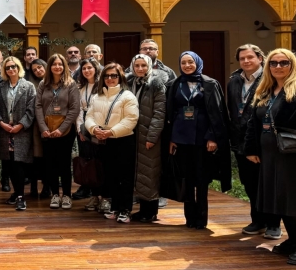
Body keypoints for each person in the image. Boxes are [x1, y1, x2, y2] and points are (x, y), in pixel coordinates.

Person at [245, 48, 296, 266]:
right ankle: (293, 242)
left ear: (292, 64)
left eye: (284, 63)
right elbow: (253, 122)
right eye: (273, 63)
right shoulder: (265, 89)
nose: (278, 67)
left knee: (295, 201)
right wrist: (251, 148)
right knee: (281, 199)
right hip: (271, 156)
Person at [166, 51, 231, 230]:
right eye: (183, 63)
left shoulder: (210, 84)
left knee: (202, 179)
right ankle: (189, 217)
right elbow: (170, 112)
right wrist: (171, 138)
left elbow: (217, 113)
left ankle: (201, 218)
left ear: (197, 63)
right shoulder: (174, 84)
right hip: (181, 138)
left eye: (190, 62)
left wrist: (212, 137)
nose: (187, 66)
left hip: (203, 139)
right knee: (186, 179)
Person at [227, 44, 281, 239]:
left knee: (268, 183)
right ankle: (258, 220)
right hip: (241, 141)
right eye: (242, 58)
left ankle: (273, 224)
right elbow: (233, 110)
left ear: (260, 58)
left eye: (250, 57)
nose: (246, 61)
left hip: (264, 140)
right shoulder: (234, 81)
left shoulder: (270, 79)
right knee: (250, 183)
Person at [85, 62, 139, 223]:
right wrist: (94, 129)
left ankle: (125, 210)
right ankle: (115, 207)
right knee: (110, 176)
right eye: (107, 76)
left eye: (113, 75)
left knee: (125, 177)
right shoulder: (97, 96)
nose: (110, 79)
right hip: (104, 140)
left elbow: (131, 119)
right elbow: (89, 116)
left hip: (123, 140)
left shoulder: (128, 96)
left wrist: (111, 132)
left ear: (120, 77)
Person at [36, 54, 81, 210]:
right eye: (54, 64)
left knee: (64, 164)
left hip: (66, 130)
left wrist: (61, 129)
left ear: (64, 66)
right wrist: (43, 128)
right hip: (47, 129)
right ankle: (55, 194)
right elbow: (38, 106)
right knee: (50, 164)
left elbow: (75, 108)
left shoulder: (71, 84)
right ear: (50, 67)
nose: (57, 67)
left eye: (60, 64)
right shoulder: (43, 84)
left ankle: (67, 195)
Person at [126, 54, 166, 222]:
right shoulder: (130, 82)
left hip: (148, 135)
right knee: (140, 172)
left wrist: (152, 136)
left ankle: (150, 212)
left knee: (150, 172)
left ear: (149, 66)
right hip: (132, 134)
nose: (140, 68)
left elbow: (159, 113)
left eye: (143, 65)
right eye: (137, 65)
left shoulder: (156, 84)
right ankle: (142, 210)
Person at [0, 57, 36, 211]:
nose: (11, 69)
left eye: (13, 66)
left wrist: (21, 125)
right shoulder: (0, 87)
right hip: (5, 131)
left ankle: (20, 196)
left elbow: (31, 110)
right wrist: (1, 123)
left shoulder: (29, 86)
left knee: (19, 164)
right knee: (9, 164)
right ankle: (16, 193)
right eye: (7, 67)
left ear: (19, 68)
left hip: (21, 132)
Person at [75, 57, 103, 211]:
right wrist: (80, 129)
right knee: (89, 163)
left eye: (89, 68)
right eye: (84, 68)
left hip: (100, 127)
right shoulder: (81, 87)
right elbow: (79, 110)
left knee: (101, 162)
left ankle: (105, 196)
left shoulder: (103, 85)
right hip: (84, 128)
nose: (87, 71)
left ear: (96, 69)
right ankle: (94, 195)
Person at [28, 58, 48, 198]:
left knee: (48, 158)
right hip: (34, 125)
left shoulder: (53, 82)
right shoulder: (31, 84)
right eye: (34, 70)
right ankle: (33, 188)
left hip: (52, 124)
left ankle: (47, 187)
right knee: (35, 158)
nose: (38, 71)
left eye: (40, 67)